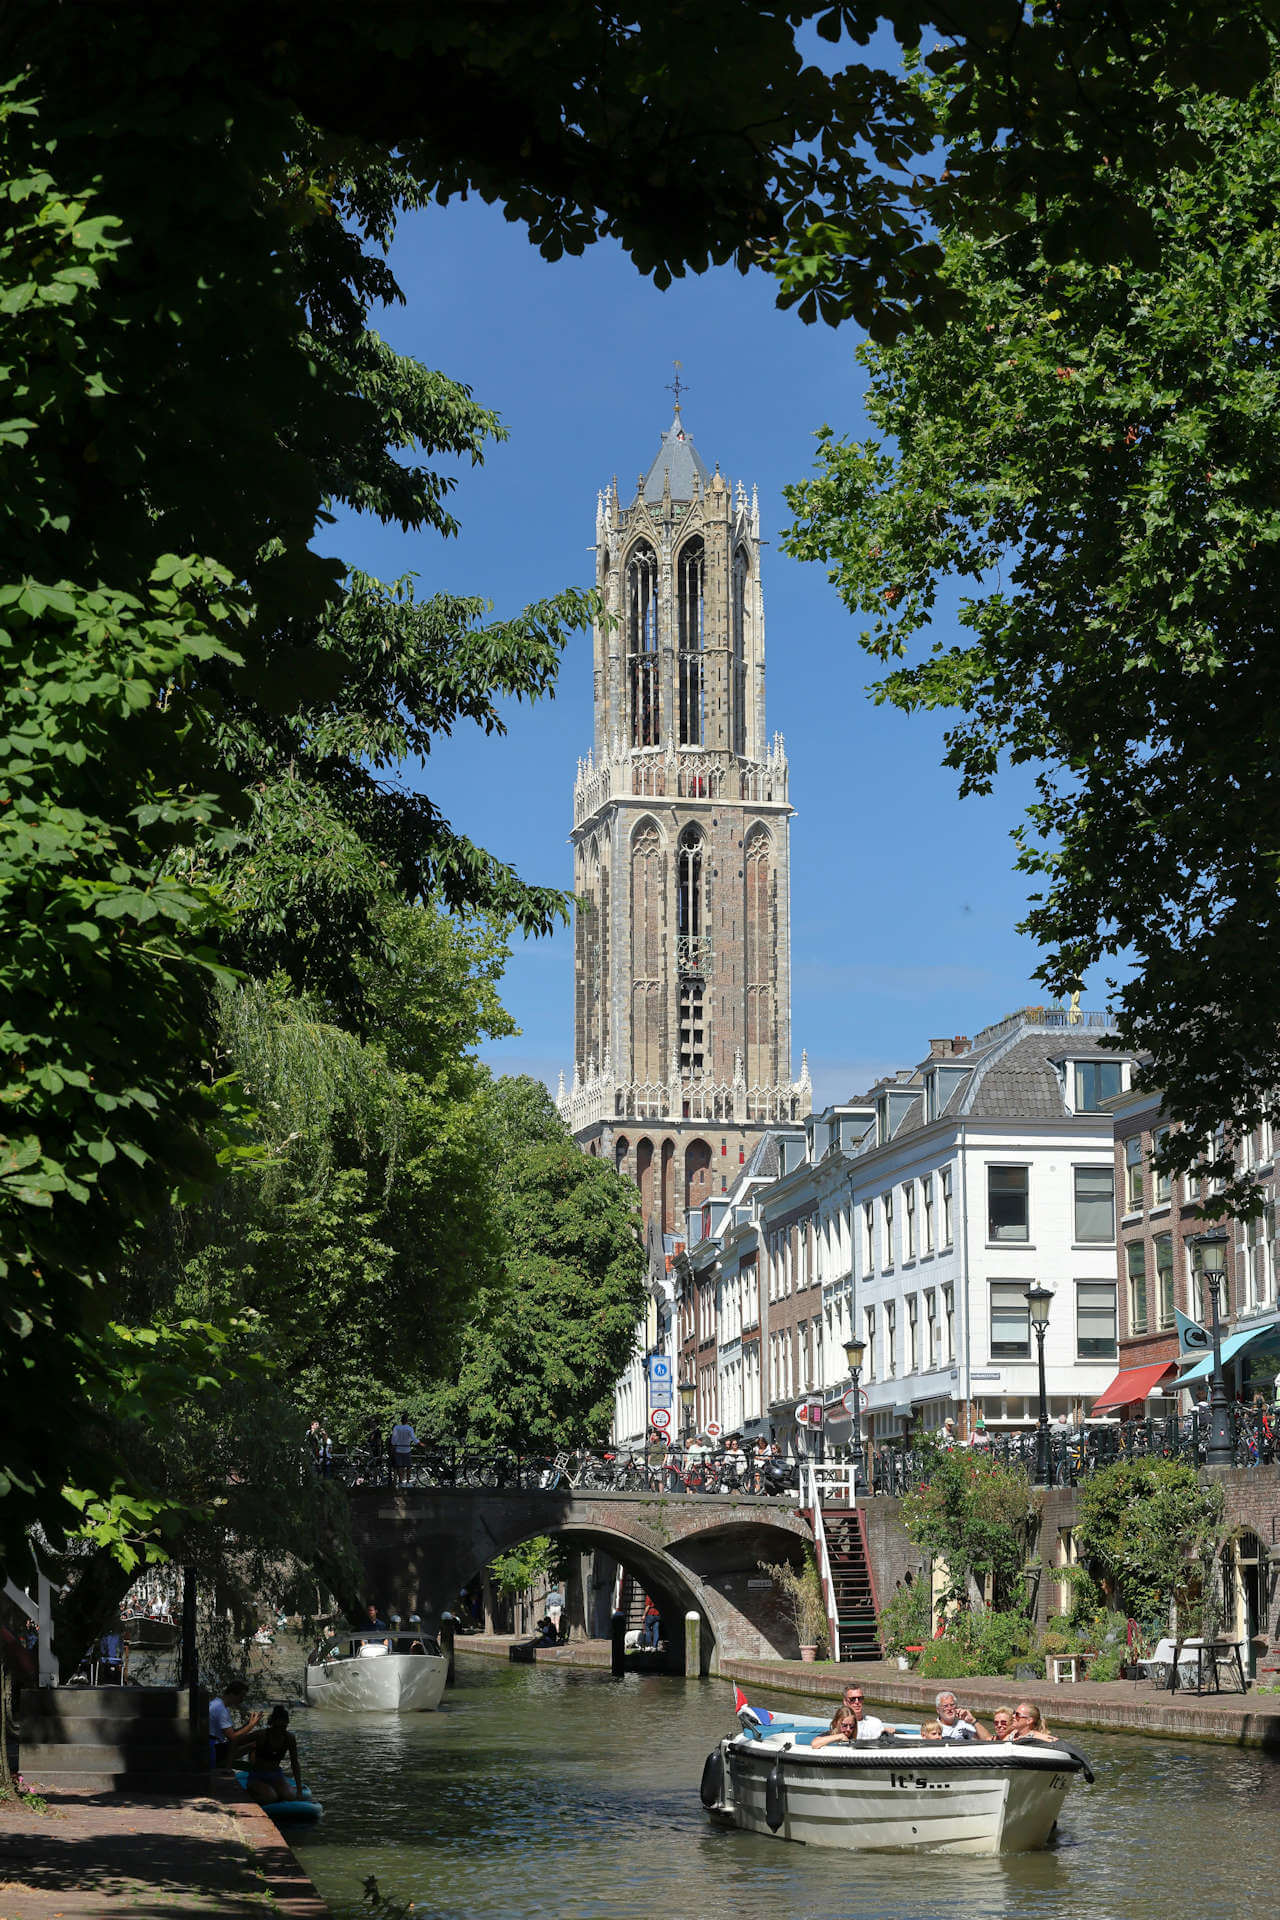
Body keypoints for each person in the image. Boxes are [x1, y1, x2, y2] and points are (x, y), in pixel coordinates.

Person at [242, 1705, 302, 1805]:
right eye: (277, 1727)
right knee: (271, 1797)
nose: (280, 1730)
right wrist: (228, 1766)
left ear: (287, 1724)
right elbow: (236, 1742)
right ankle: (251, 1791)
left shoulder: (289, 1738)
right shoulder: (261, 1735)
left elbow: (295, 1763)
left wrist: (299, 1790)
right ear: (272, 1723)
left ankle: (275, 1790)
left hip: (276, 1775)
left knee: (290, 1796)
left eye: (283, 1727)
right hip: (258, 1776)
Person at [209, 1681, 261, 1768]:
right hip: (214, 1748)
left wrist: (248, 1724)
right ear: (232, 1694)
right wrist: (251, 1725)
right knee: (255, 1743)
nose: (242, 1700)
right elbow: (233, 1737)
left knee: (249, 1739)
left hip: (216, 1744)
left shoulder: (217, 1703)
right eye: (241, 1696)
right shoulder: (220, 1709)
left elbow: (231, 1732)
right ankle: (253, 1774)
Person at [388, 1410, 416, 1486]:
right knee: (408, 1466)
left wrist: (394, 1446)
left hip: (398, 1449)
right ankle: (407, 1482)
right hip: (407, 1449)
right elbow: (413, 1438)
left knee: (399, 1466)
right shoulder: (410, 1428)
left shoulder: (396, 1428)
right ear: (407, 1421)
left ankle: (400, 1482)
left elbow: (393, 1440)